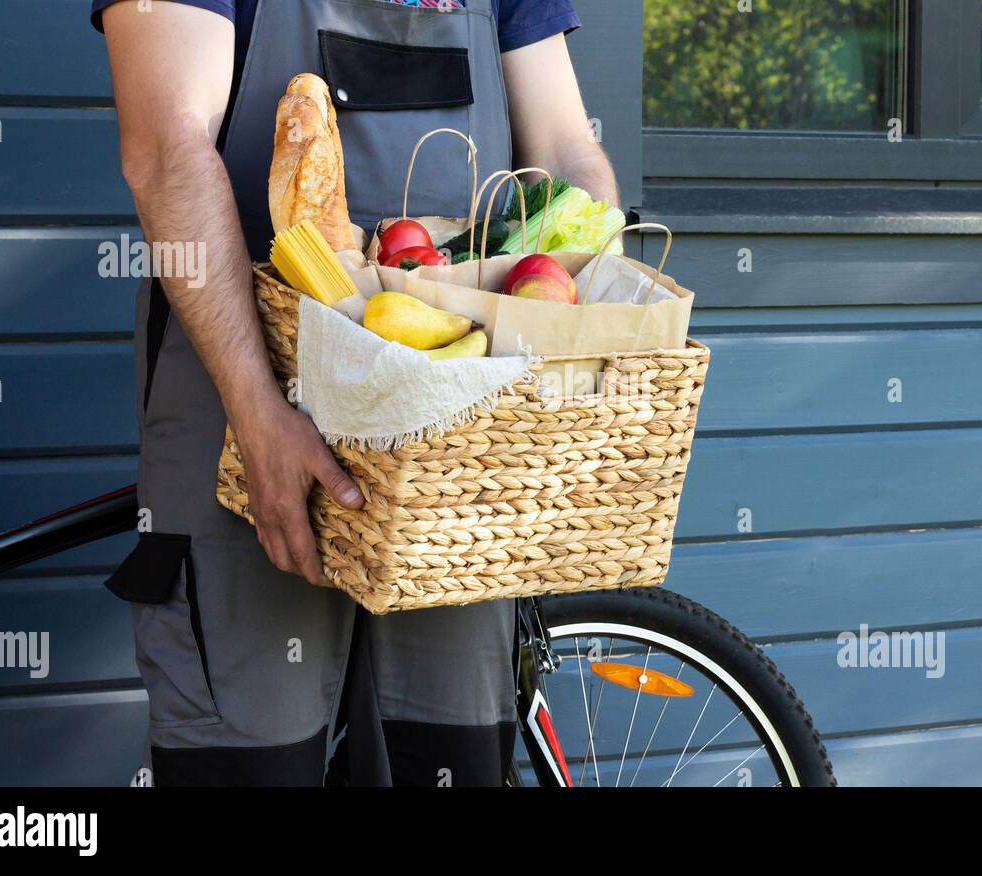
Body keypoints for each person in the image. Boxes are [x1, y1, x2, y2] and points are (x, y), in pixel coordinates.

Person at [93, 0, 619, 786]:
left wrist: (596, 326)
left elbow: (568, 152)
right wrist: (257, 408)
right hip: (242, 428)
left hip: (459, 450)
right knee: (249, 762)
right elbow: (166, 149)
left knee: (450, 759)